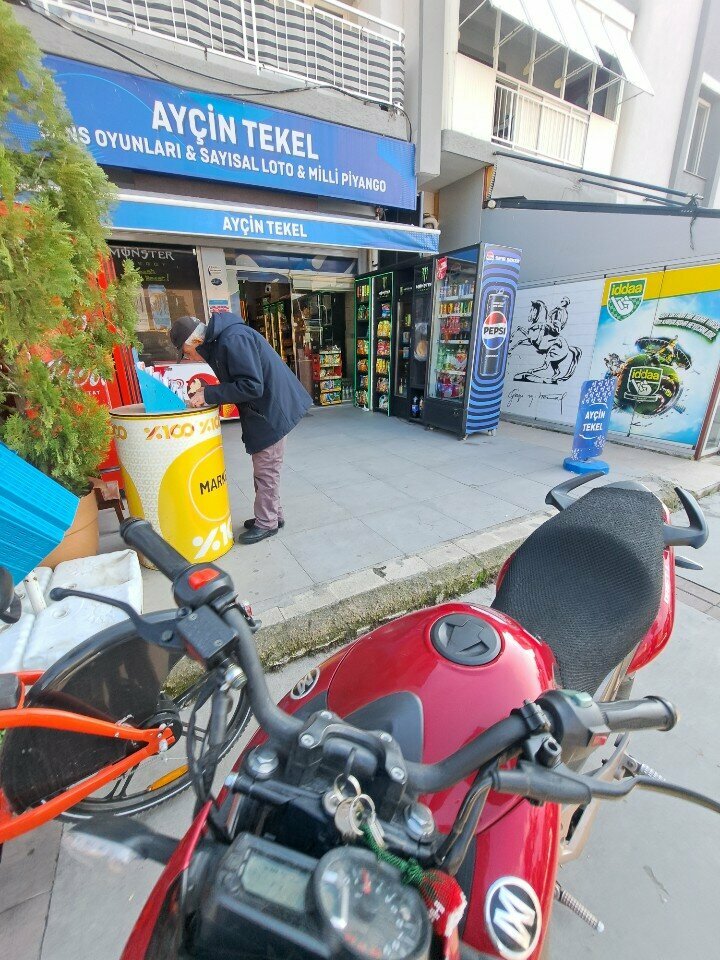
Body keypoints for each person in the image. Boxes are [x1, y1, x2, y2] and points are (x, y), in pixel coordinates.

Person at [169, 313, 312, 545]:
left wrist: (209, 393)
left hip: (271, 410)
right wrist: (211, 392)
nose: (189, 358)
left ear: (195, 341)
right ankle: (273, 515)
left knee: (266, 470)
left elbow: (251, 386)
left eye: (185, 352)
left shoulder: (233, 338)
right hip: (265, 409)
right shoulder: (224, 339)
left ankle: (267, 523)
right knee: (266, 468)